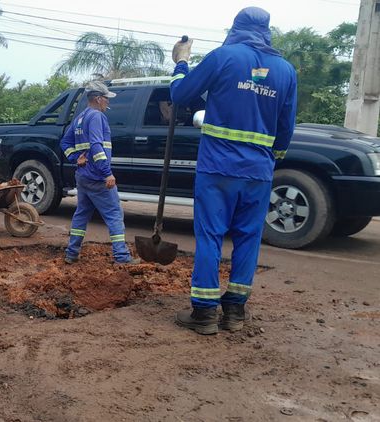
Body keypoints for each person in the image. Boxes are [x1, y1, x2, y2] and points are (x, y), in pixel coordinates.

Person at [169, 7, 297, 334]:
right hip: (258, 173)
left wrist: (181, 62)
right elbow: (285, 129)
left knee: (211, 235)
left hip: (217, 169)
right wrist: (272, 157)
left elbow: (181, 94)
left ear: (236, 27)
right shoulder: (285, 71)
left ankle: (205, 314)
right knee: (248, 239)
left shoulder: (224, 57)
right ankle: (236, 313)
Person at [60, 81, 140, 266]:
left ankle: (71, 253)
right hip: (97, 176)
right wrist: (107, 173)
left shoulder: (80, 118)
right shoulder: (96, 117)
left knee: (81, 214)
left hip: (83, 176)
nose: (107, 103)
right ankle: (122, 256)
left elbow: (65, 142)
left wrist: (74, 158)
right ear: (97, 99)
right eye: (106, 99)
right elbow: (97, 145)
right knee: (114, 214)